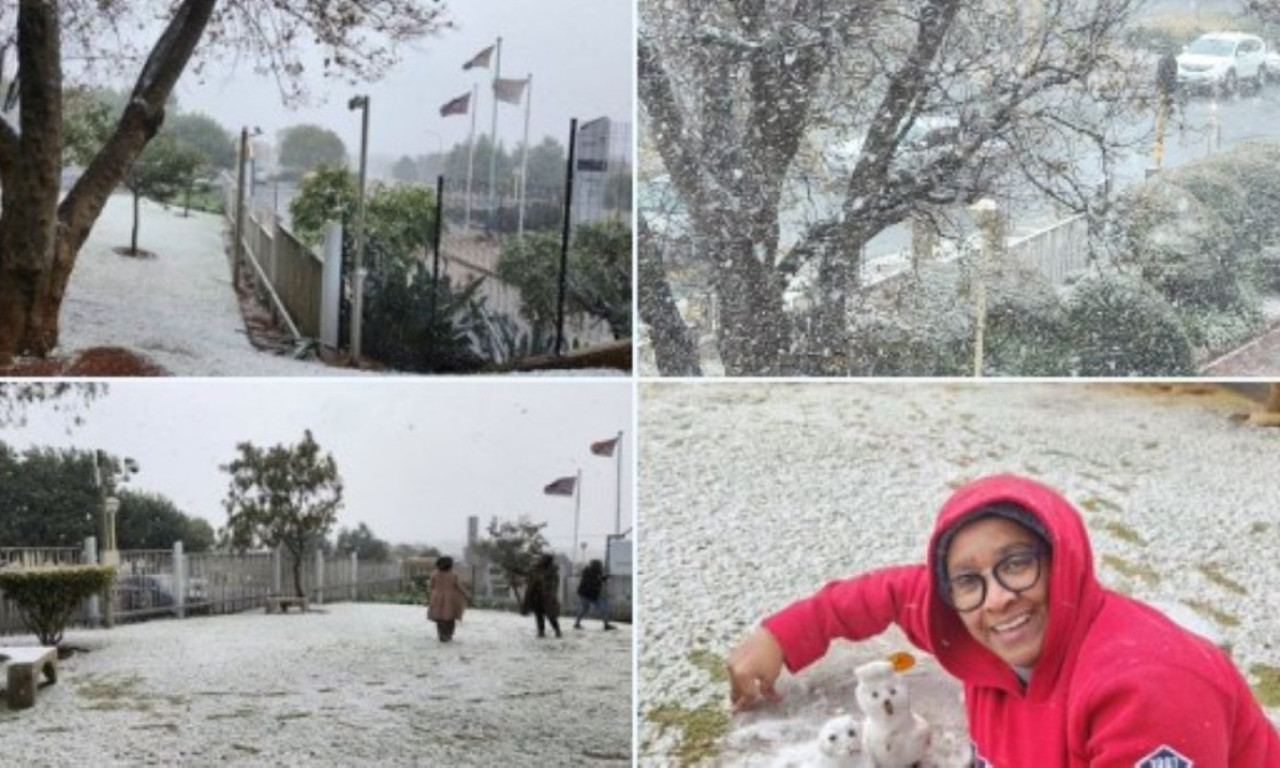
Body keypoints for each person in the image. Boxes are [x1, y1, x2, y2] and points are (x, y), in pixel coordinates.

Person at [726, 474, 1280, 766]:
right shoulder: (969, 625)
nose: (996, 600)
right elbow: (889, 593)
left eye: (1016, 564)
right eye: (968, 579)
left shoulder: (1146, 692)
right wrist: (781, 635)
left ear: (1063, 560)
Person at [426, 556, 469, 643]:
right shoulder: (453, 575)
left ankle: (441, 635)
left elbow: (430, 587)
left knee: (439, 618)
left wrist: (430, 595)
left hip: (437, 597)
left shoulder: (434, 574)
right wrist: (467, 595)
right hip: (451, 598)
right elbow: (459, 586)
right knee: (450, 617)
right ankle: (448, 634)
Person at [522, 553, 562, 638]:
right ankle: (541, 631)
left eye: (544, 559)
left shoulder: (552, 571)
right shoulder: (536, 569)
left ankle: (557, 630)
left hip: (547, 597)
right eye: (542, 559)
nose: (542, 560)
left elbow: (554, 584)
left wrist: (550, 592)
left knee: (551, 615)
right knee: (539, 615)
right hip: (537, 596)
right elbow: (528, 575)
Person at [574, 559, 616, 631]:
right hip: (587, 594)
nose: (601, 567)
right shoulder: (588, 572)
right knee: (596, 608)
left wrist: (605, 577)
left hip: (591, 594)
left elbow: (599, 579)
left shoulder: (596, 572)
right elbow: (593, 581)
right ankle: (606, 625)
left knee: (589, 609)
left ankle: (606, 624)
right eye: (599, 565)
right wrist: (601, 579)